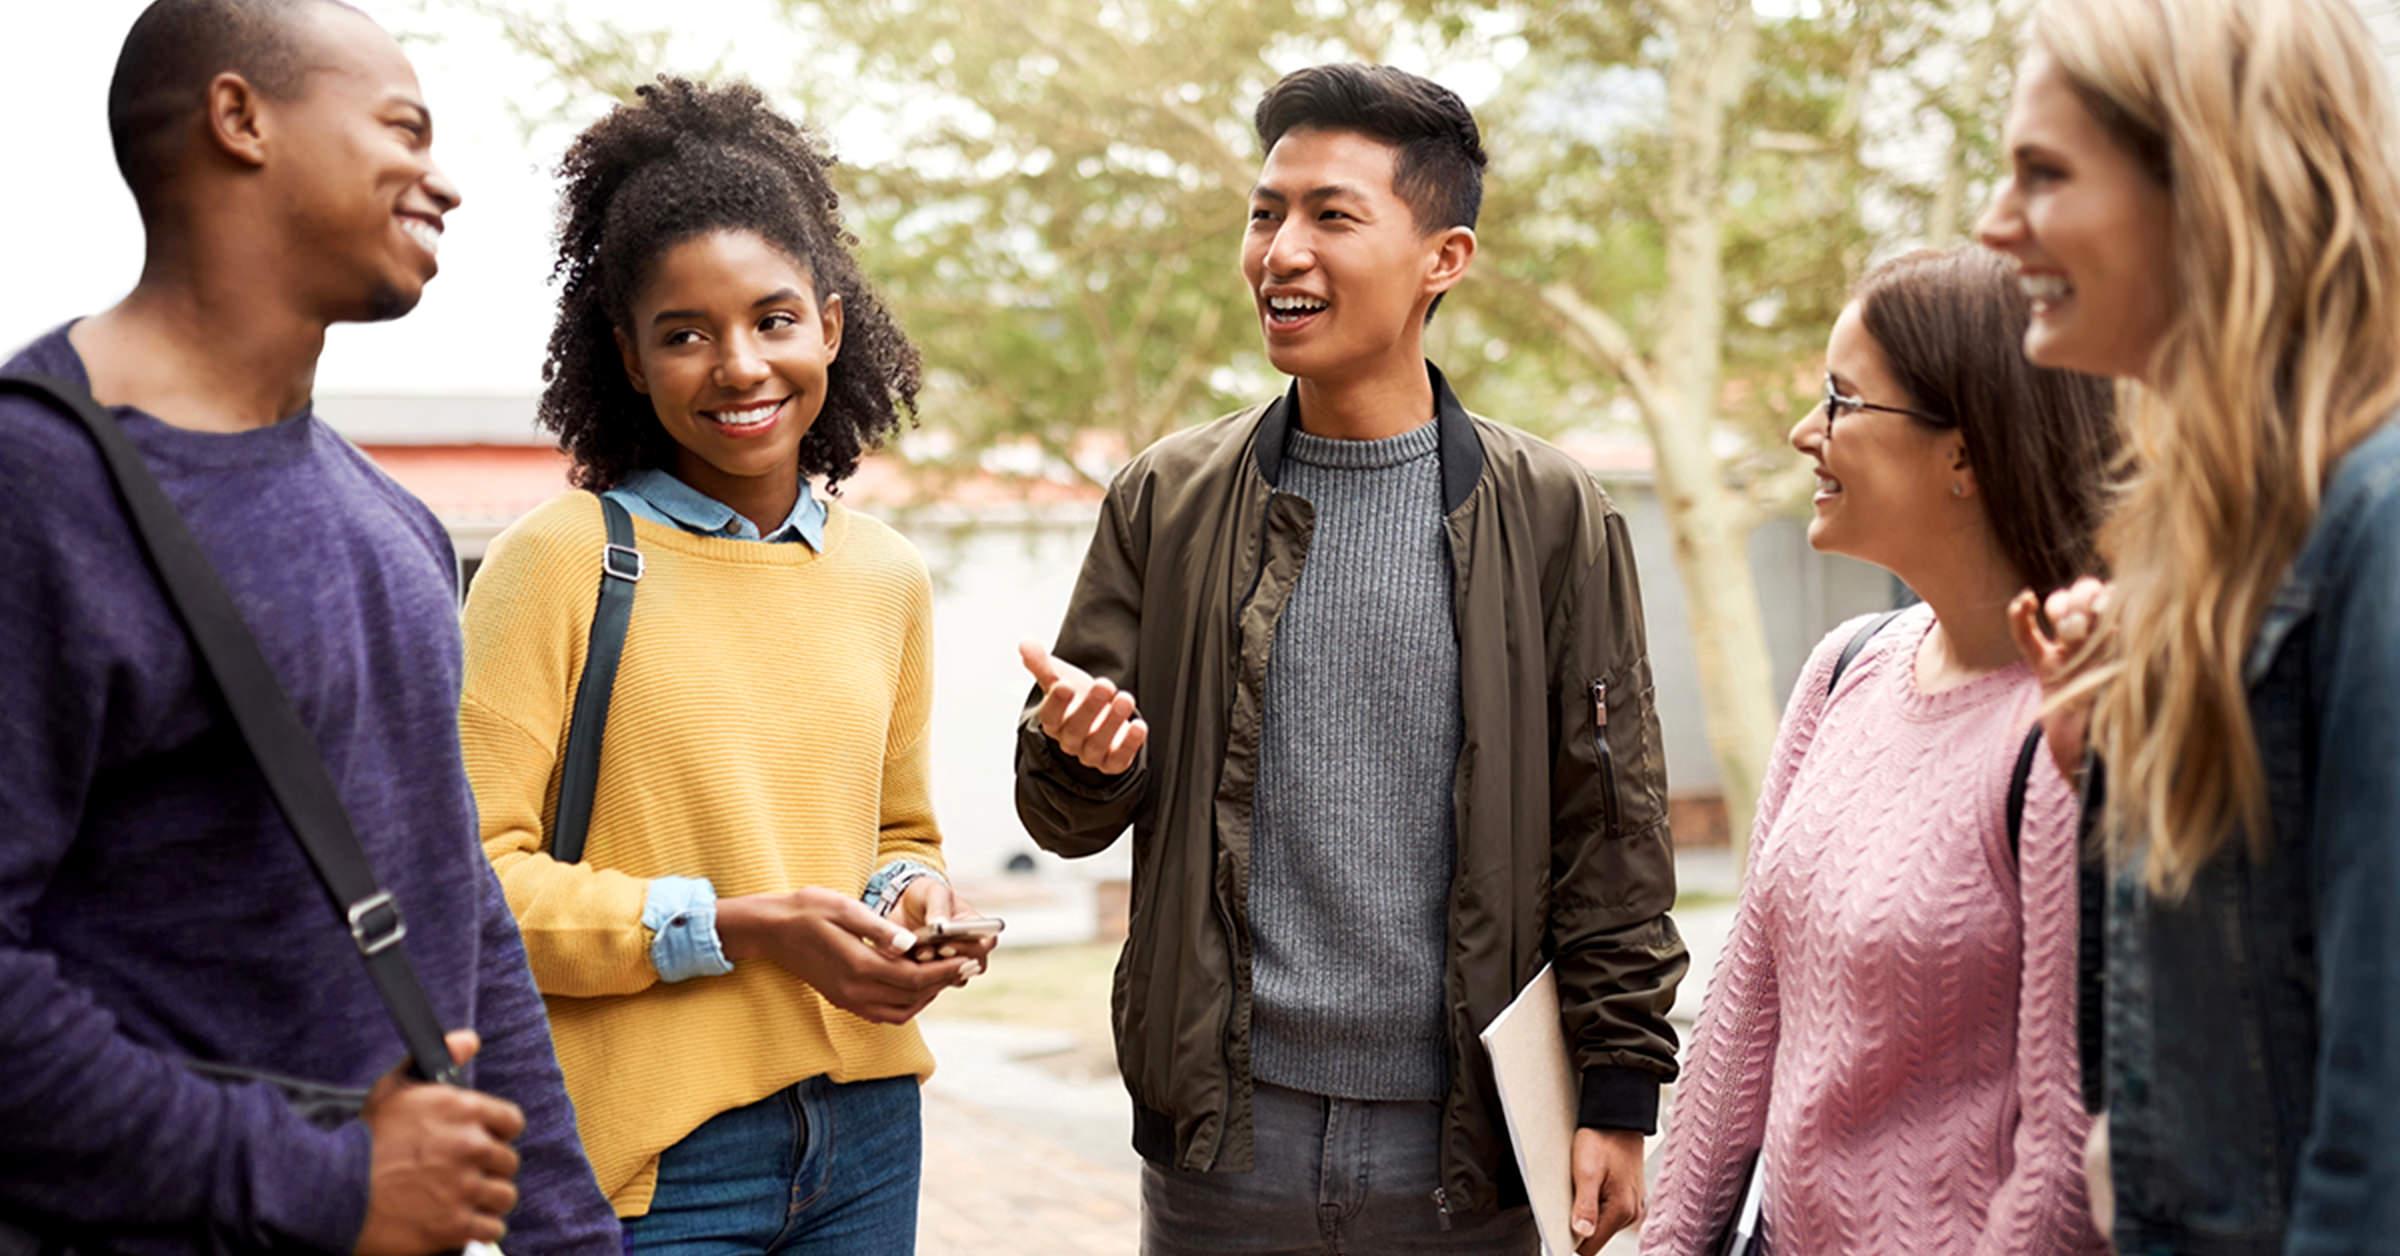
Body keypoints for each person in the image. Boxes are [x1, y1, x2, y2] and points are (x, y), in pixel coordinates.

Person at [1013, 63, 1684, 1254]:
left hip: (1464, 1144)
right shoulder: (1166, 498)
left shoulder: (1553, 513)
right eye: (1266, 212)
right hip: (1226, 1144)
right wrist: (1082, 756)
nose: (1282, 251)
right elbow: (1065, 812)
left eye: (1332, 215)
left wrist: (1620, 1088)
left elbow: (1612, 822)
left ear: (1444, 258)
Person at [0, 0, 622, 1252]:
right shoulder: (37, 484)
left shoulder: (391, 522)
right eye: (403, 129)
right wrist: (326, 1181)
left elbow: (456, 906)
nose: (443, 182)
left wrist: (567, 1230)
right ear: (241, 118)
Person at [458, 77, 992, 1253]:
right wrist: (739, 925)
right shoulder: (560, 562)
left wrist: (914, 900)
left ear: (831, 325)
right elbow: (475, 886)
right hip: (652, 1159)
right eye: (685, 333)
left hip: (867, 1132)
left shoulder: (885, 574)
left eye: (773, 318)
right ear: (630, 358)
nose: (740, 364)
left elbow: (897, 832)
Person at [1977, 0, 2400, 1248]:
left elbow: (2379, 1133)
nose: (1997, 223)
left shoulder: (2375, 525)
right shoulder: (2220, 535)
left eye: (2043, 174)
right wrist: (2112, 770)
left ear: (2214, 187)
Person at [1640, 247, 2116, 1254]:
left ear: (1966, 453)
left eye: (1842, 401)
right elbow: (1745, 1007)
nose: (1804, 431)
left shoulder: (2067, 730)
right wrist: (1673, 1244)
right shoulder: (1844, 668)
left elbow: (2064, 1150)